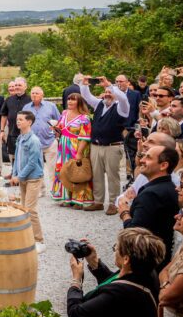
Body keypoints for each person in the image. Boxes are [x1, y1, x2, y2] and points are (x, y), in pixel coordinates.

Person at [66, 228, 165, 317]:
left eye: (116, 248)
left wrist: (76, 281)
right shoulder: (147, 273)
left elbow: (76, 314)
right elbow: (116, 281)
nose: (114, 251)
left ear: (126, 259)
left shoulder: (119, 293)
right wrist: (95, 263)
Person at [117, 144, 179, 269]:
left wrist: (124, 212)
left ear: (163, 165)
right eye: (144, 156)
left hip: (146, 262)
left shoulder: (151, 194)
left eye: (148, 158)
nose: (142, 160)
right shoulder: (169, 186)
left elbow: (134, 232)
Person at [78, 77, 129, 214]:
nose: (107, 94)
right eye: (106, 92)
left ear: (115, 94)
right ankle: (98, 202)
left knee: (113, 176)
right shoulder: (99, 104)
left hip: (112, 146)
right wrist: (84, 85)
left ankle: (113, 203)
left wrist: (110, 86)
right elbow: (87, 97)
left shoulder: (122, 106)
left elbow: (123, 98)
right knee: (97, 175)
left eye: (110, 92)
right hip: (96, 146)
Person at [51, 91, 92, 206]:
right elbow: (60, 129)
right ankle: (67, 198)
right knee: (63, 171)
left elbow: (85, 137)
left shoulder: (84, 118)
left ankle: (78, 199)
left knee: (76, 172)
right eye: (69, 99)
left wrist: (79, 153)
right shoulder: (64, 113)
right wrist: (56, 130)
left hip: (76, 147)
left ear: (79, 102)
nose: (70, 101)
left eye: (73, 99)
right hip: (63, 146)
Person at [12, 111, 45, 252]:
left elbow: (32, 163)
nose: (18, 121)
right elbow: (17, 158)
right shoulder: (20, 138)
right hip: (23, 178)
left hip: (33, 178)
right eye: (17, 119)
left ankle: (39, 241)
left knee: (30, 209)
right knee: (23, 208)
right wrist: (14, 173)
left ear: (29, 122)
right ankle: (27, 237)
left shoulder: (34, 140)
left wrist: (19, 176)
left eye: (21, 119)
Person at [21, 87, 61, 194]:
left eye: (37, 93)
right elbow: (22, 122)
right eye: (33, 93)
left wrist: (56, 134)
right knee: (36, 168)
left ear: (42, 95)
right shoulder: (26, 107)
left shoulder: (51, 106)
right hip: (33, 143)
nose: (34, 95)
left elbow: (59, 121)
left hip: (50, 142)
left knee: (53, 168)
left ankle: (55, 191)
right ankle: (40, 190)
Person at [116, 74, 144, 180]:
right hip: (117, 127)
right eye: (117, 81)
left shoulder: (135, 94)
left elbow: (138, 111)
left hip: (130, 126)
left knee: (130, 150)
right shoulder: (113, 94)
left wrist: (136, 126)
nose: (119, 83)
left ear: (127, 83)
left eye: (121, 81)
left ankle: (131, 172)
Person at [0, 77, 31, 163]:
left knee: (25, 155)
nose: (17, 87)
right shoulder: (9, 100)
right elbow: (4, 115)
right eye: (16, 85)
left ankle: (24, 174)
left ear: (25, 87)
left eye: (19, 85)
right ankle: (14, 172)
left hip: (25, 134)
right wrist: (2, 131)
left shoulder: (30, 100)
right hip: (12, 133)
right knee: (12, 155)